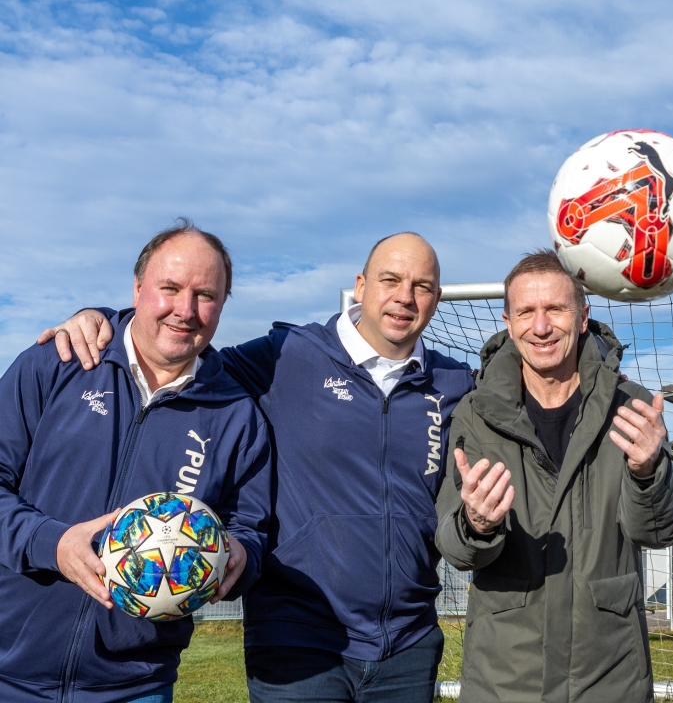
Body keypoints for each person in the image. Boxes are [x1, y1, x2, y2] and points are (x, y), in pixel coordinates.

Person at [41, 232, 474, 703]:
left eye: (422, 286)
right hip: (298, 638)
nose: (405, 297)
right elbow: (181, 345)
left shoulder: (453, 382)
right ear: (361, 286)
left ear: (436, 299)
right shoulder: (288, 354)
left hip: (408, 643)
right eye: (390, 279)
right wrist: (103, 321)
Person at [0, 221, 271, 703]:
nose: (185, 310)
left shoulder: (237, 415)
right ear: (138, 287)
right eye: (171, 288)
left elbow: (250, 526)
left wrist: (241, 557)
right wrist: (52, 544)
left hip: (135, 684)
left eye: (205, 295)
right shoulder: (57, 363)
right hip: (9, 671)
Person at [434, 249, 673, 703]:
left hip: (609, 676)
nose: (541, 326)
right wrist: (476, 525)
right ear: (508, 321)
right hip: (505, 679)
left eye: (555, 309)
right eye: (526, 312)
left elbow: (660, 532)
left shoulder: (632, 407)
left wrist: (648, 473)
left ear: (583, 316)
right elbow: (455, 550)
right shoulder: (475, 413)